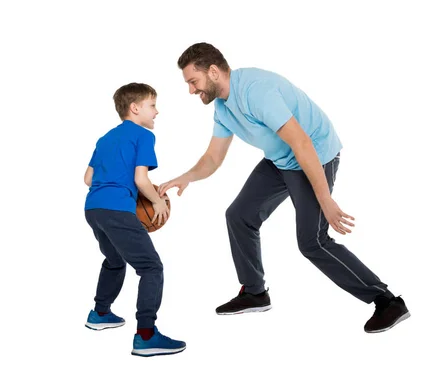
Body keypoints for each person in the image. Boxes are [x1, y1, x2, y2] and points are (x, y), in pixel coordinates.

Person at [159, 43, 410, 333]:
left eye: (193, 81)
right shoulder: (221, 107)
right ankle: (255, 292)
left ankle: (387, 301)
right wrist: (186, 176)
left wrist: (325, 198)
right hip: (281, 159)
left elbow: (301, 142)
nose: (191, 90)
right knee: (239, 215)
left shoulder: (256, 91)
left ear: (213, 72)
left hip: (313, 154)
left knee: (312, 241)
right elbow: (213, 157)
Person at [84, 82, 186, 356]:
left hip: (93, 209)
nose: (157, 111)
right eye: (152, 105)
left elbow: (88, 179)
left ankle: (100, 314)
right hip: (118, 209)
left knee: (115, 260)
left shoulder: (105, 138)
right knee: (151, 267)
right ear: (135, 108)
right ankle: (146, 336)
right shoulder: (143, 136)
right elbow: (140, 178)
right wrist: (156, 201)